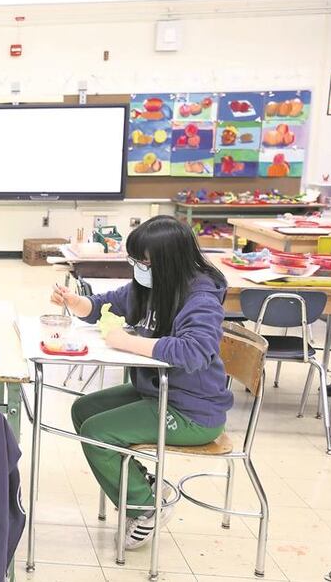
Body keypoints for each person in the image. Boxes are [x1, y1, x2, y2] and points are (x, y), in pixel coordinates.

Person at [52, 215, 232, 551]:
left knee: (97, 432)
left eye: (142, 262)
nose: (137, 268)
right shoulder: (153, 286)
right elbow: (112, 303)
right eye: (134, 261)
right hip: (159, 391)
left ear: (168, 262)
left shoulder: (200, 297)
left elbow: (194, 351)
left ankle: (145, 506)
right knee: (83, 408)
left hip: (192, 411)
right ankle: (142, 483)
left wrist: (127, 342)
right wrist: (78, 303)